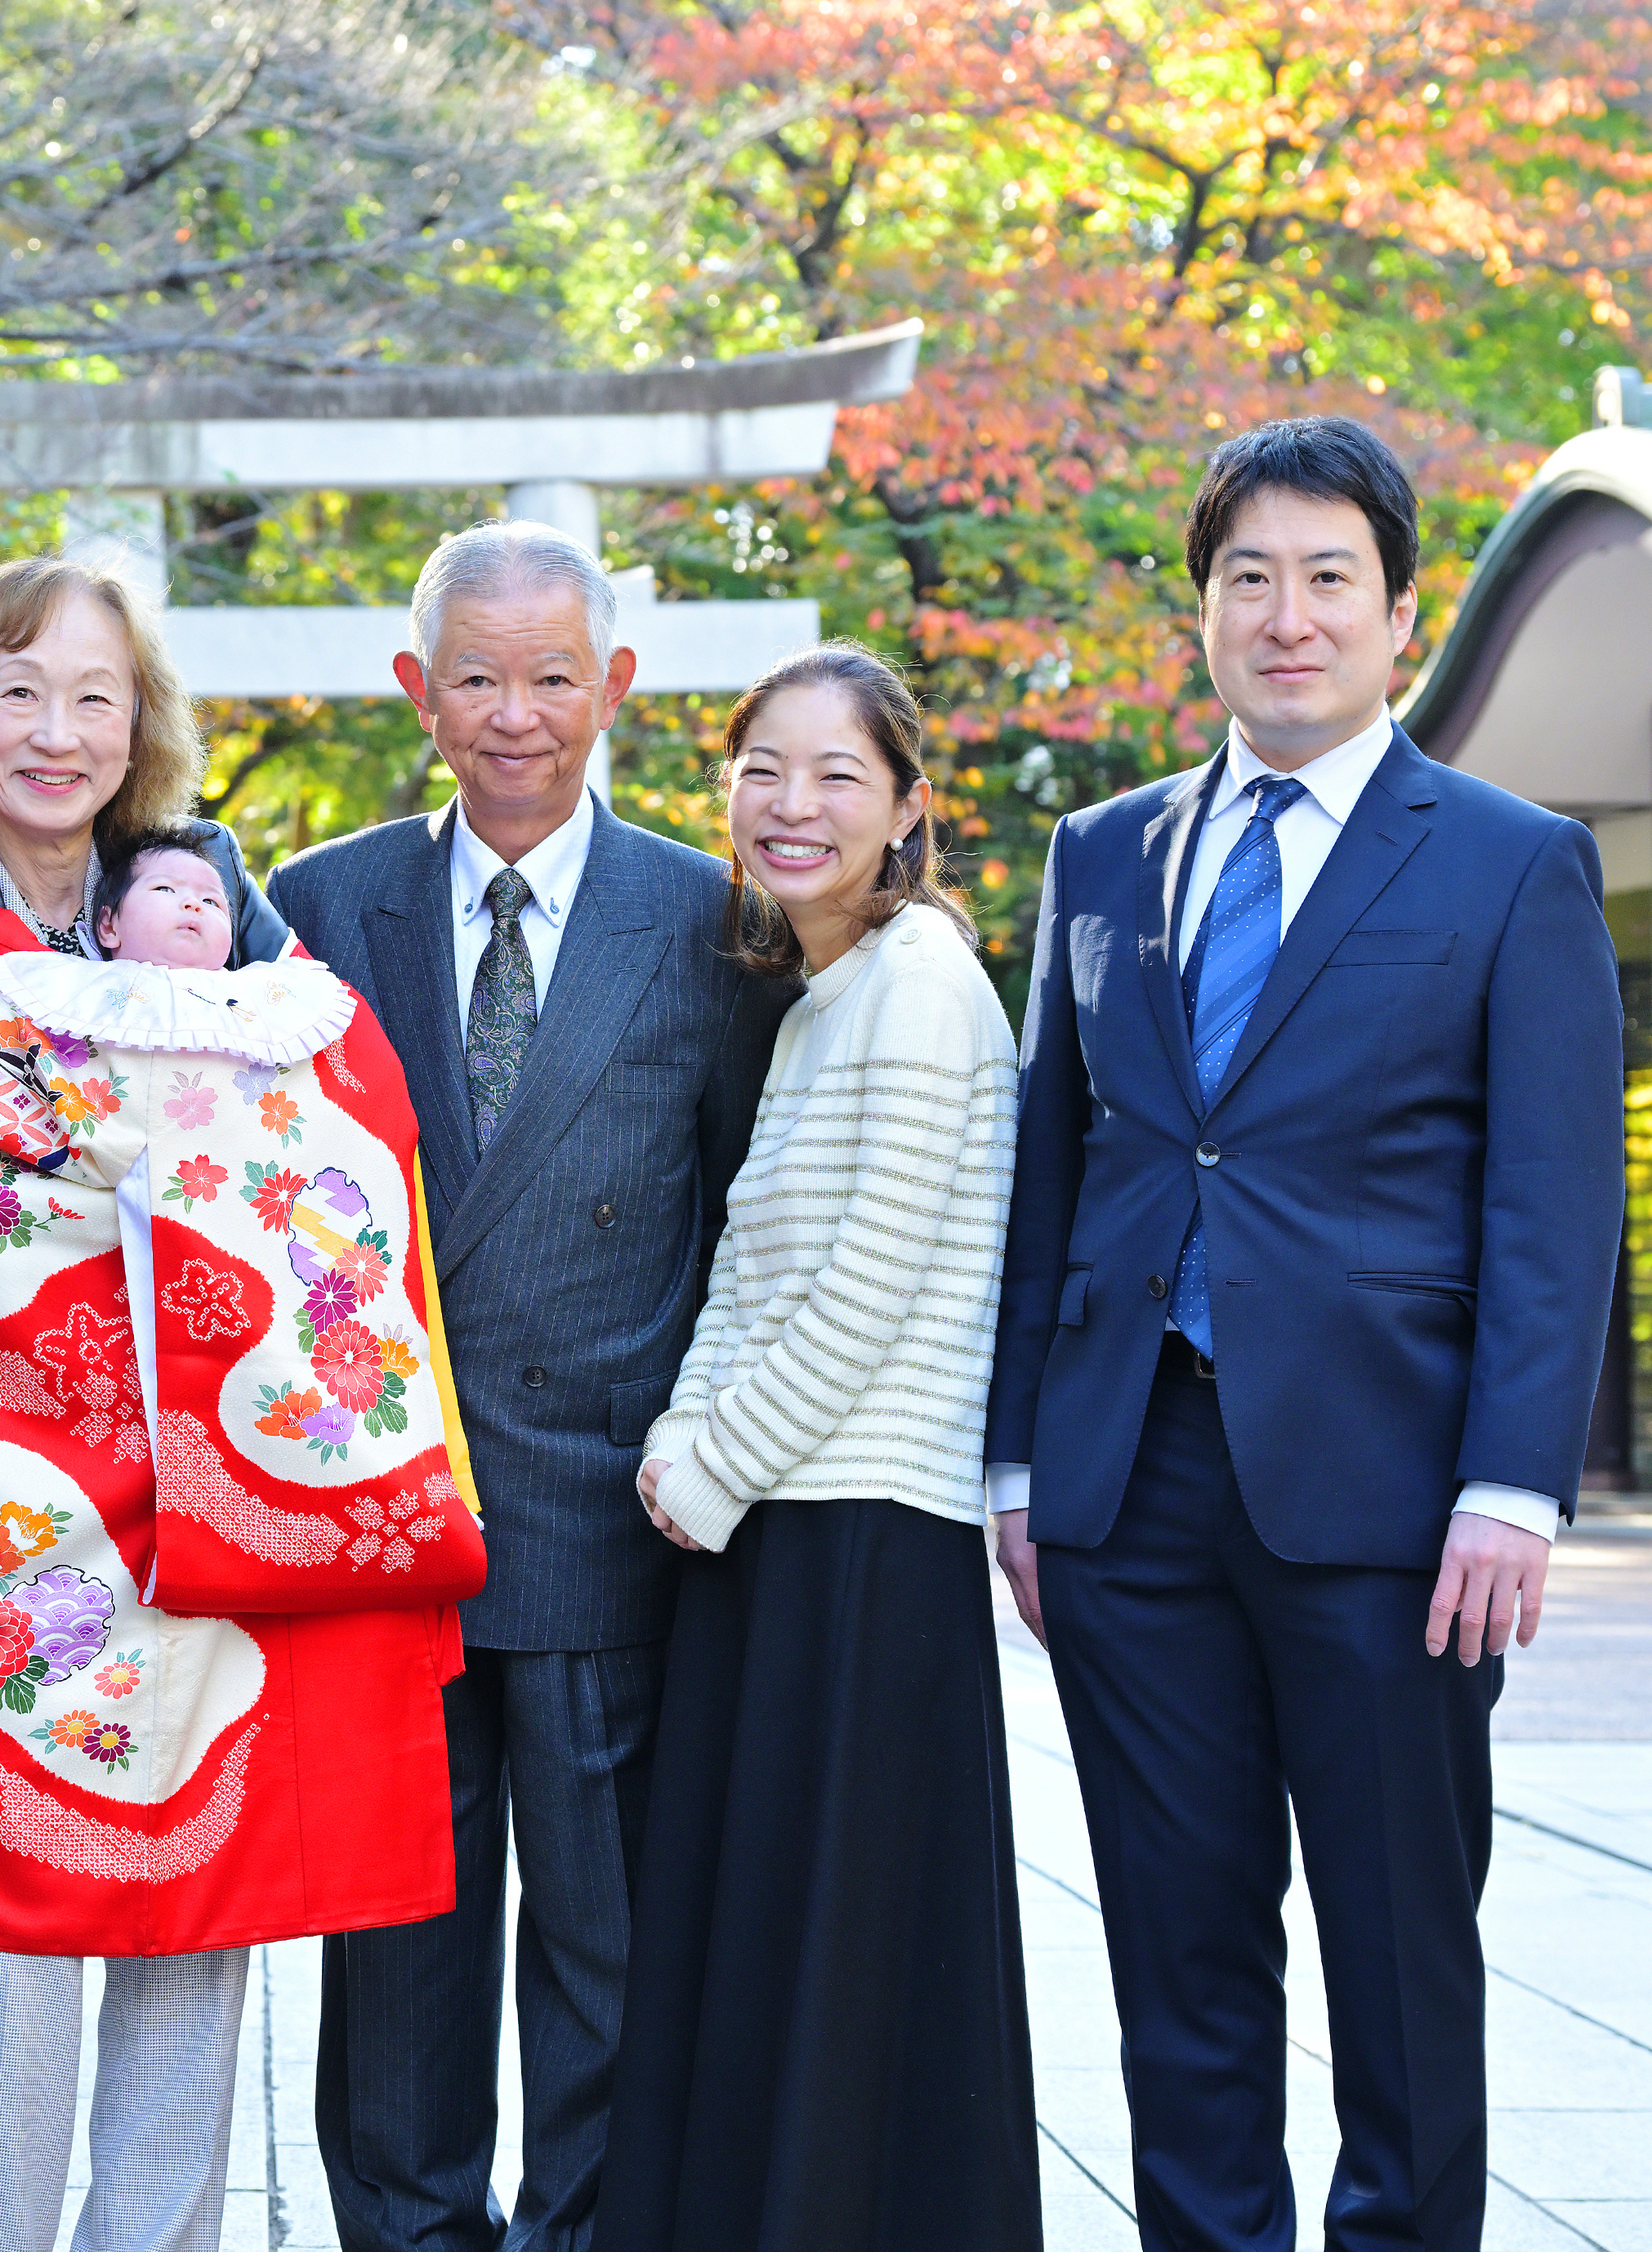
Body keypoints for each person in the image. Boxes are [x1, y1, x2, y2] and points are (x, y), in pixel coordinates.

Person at [0, 556, 479, 2252]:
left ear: (140, 724)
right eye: (18, 690)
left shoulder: (220, 913)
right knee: (6, 1942)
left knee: (202, 1924)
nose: (56, 730)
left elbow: (340, 1127)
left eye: (95, 695)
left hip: (207, 1512)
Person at [989, 416, 1623, 2251]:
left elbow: (1554, 1198)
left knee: (1401, 1956)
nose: (1287, 615)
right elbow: (1063, 1159)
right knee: (1180, 1961)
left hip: (1398, 1502)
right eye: (1248, 577)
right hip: (1128, 1491)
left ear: (1399, 614)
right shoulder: (1103, 857)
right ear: (1202, 612)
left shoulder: (1509, 865)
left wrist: (1516, 1484)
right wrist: (1024, 1457)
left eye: (1328, 577)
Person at [269, 520, 785, 2252]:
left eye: (553, 676)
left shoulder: (709, 917)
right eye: (476, 676)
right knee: (396, 1964)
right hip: (383, 1526)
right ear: (417, 692)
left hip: (605, 1519)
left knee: (606, 1959)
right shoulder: (317, 907)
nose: (515, 713)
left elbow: (739, 1220)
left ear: (615, 686)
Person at [603, 643, 1038, 2248]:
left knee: (847, 1945)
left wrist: (710, 1465)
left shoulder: (921, 983)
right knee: (772, 1933)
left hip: (862, 1533)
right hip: (768, 1523)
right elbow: (751, 1262)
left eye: (837, 774)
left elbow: (874, 1272)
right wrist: (682, 1439)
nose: (792, 804)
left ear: (909, 805)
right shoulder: (819, 991)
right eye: (762, 769)